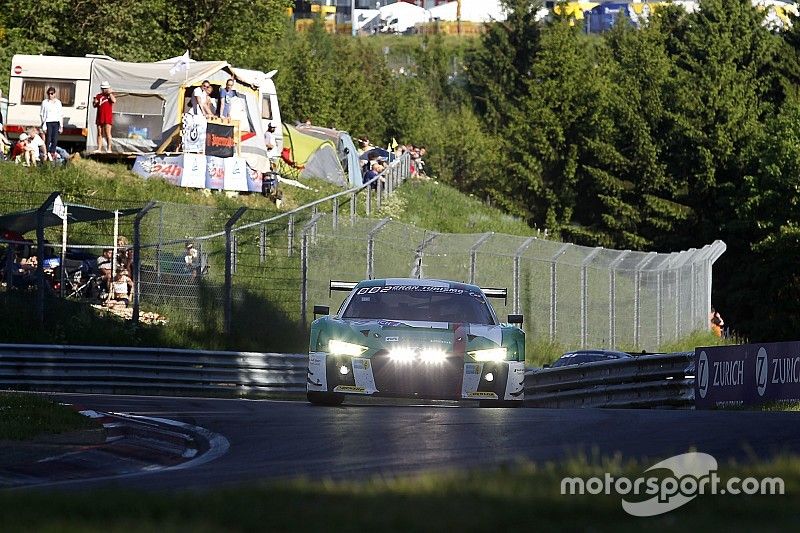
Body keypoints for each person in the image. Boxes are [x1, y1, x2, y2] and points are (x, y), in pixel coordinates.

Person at [40, 87, 63, 160]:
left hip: (56, 122)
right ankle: (46, 152)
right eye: (49, 94)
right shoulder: (45, 102)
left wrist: (61, 126)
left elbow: (60, 114)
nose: (50, 95)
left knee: (55, 139)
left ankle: (52, 152)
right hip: (48, 122)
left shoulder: (58, 102)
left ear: (55, 94)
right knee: (48, 138)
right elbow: (42, 113)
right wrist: (43, 123)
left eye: (52, 93)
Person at [93, 81, 116, 153]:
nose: (104, 90)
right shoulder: (98, 96)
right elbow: (94, 106)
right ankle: (99, 148)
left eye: (105, 88)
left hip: (107, 117)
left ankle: (109, 148)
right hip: (99, 117)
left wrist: (110, 93)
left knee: (107, 133)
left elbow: (114, 101)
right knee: (99, 133)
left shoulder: (110, 95)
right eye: (103, 88)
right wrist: (95, 102)